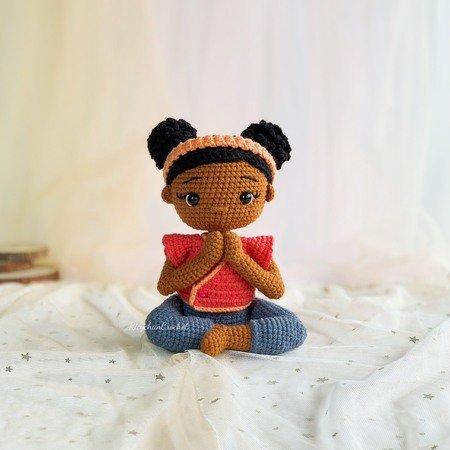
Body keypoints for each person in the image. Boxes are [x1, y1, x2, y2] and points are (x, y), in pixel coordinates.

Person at [145, 118, 307, 356]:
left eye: (245, 197)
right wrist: (205, 259)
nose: (219, 208)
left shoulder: (254, 248)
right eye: (193, 198)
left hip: (245, 311)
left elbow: (275, 289)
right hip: (189, 311)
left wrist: (240, 259)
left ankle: (229, 337)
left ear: (267, 193)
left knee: (294, 328)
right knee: (157, 325)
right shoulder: (183, 246)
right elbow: (165, 285)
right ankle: (239, 336)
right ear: (170, 195)